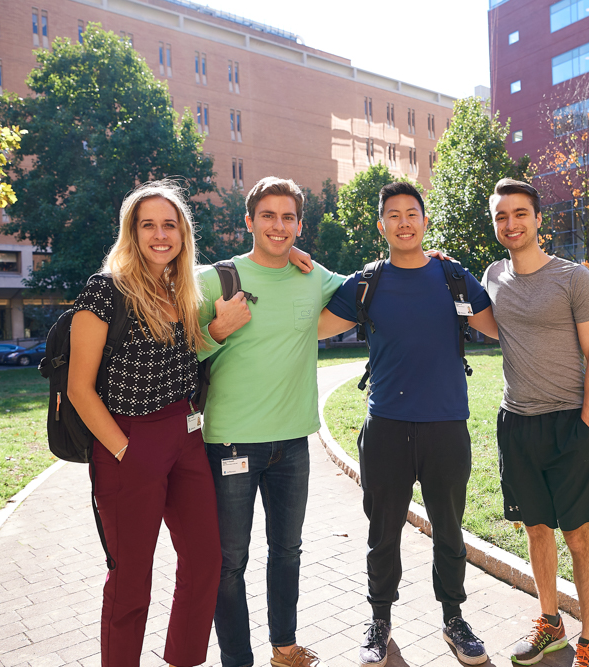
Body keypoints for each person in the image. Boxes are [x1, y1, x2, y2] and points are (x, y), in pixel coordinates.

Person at [317, 182, 497, 667]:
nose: (403, 221)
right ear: (382, 226)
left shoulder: (453, 277)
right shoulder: (365, 283)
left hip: (446, 427)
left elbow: (502, 325)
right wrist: (299, 268)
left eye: (411, 213)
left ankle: (455, 619)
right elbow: (309, 326)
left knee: (450, 531)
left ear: (424, 220)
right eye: (392, 215)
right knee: (383, 534)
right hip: (387, 430)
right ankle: (379, 621)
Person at [68, 180, 222, 667]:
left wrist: (296, 255)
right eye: (148, 224)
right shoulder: (105, 290)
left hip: (186, 437)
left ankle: (183, 659)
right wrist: (123, 450)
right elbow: (78, 388)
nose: (160, 234)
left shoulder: (179, 287)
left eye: (169, 224)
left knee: (204, 561)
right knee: (132, 580)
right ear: (131, 232)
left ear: (183, 233)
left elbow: (182, 359)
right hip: (128, 441)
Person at [198, 177, 339, 667]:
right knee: (229, 561)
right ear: (249, 221)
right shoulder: (215, 279)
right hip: (231, 444)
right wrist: (216, 331)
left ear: (299, 225)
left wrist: (436, 259)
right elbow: (176, 352)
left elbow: (372, 286)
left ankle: (284, 647)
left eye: (287, 218)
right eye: (268, 216)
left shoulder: (313, 275)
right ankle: (237, 658)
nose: (278, 226)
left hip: (293, 446)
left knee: (288, 551)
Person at [482, 179, 589, 667]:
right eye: (502, 216)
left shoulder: (573, 279)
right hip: (516, 424)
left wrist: (585, 425)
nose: (511, 223)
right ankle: (550, 623)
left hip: (568, 425)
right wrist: (439, 265)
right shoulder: (493, 276)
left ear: (539, 220)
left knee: (578, 535)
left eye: (520, 213)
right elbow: (483, 320)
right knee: (536, 529)